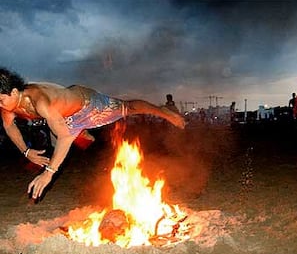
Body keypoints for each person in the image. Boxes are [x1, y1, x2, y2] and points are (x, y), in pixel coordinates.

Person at [0, 67, 185, 199]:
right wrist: (26, 151)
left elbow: (64, 136)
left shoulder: (39, 100)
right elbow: (9, 127)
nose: (0, 105)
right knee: (59, 143)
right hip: (66, 119)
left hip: (88, 105)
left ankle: (164, 111)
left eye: (1, 100)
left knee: (128, 108)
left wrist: (48, 174)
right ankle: (82, 132)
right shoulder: (7, 105)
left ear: (14, 92)